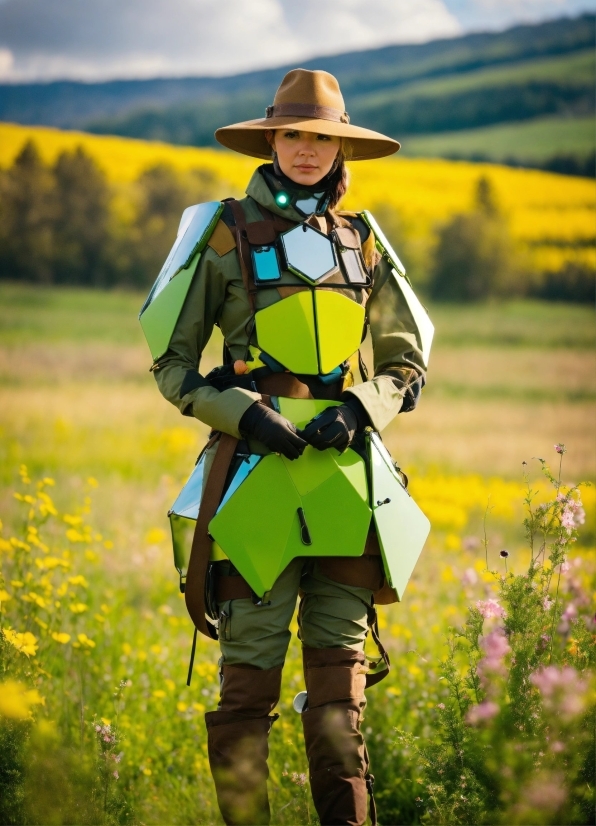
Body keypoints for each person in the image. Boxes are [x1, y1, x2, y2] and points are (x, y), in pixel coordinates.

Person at [151, 68, 428, 826]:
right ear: (272, 138)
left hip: (346, 487)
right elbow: (172, 367)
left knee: (340, 701)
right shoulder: (219, 232)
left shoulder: (365, 240)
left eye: (323, 137)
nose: (308, 149)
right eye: (294, 133)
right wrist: (243, 413)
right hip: (251, 484)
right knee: (247, 692)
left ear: (342, 148)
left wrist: (363, 409)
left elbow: (407, 365)